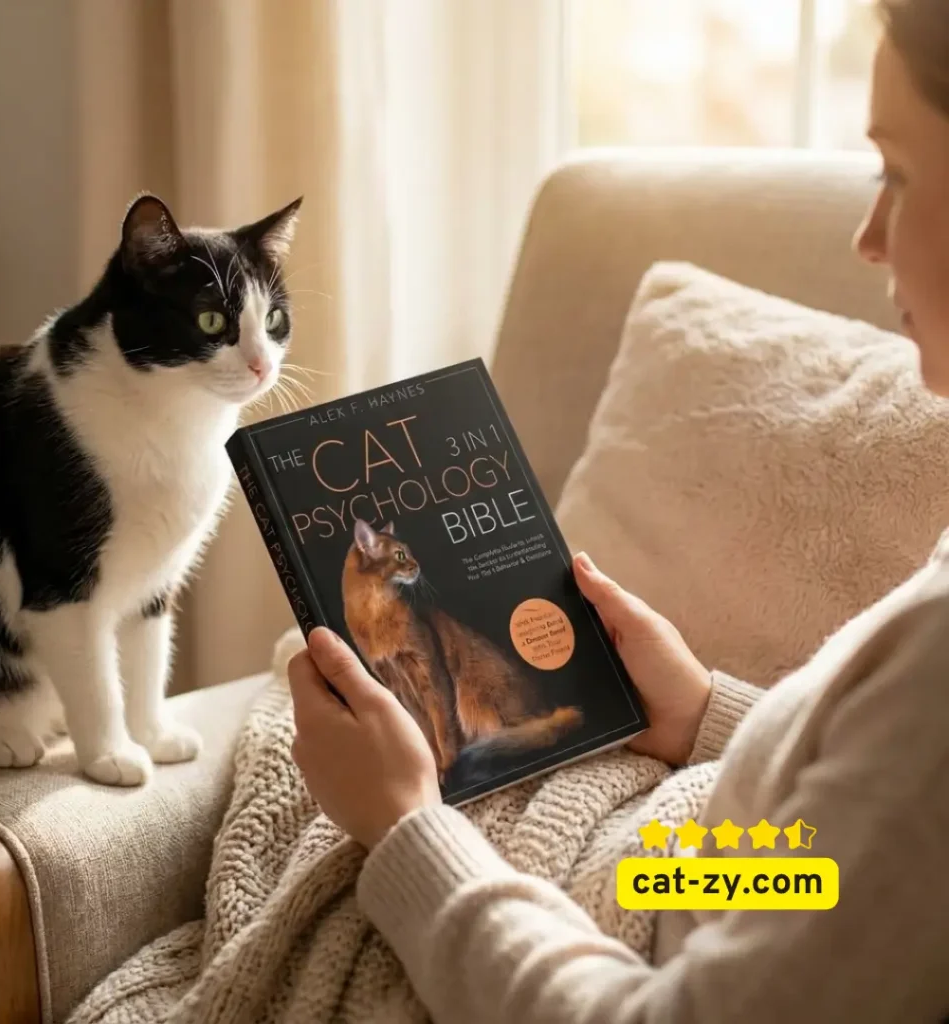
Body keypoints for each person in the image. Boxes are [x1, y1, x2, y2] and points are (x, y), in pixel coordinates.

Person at [286, 2, 949, 1019]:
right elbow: (860, 863)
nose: (867, 237)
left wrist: (411, 832)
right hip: (698, 862)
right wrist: (701, 716)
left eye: (895, 176)